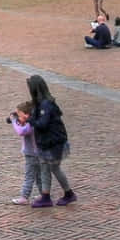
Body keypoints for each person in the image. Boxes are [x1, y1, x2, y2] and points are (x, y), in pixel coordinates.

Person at [25, 73, 76, 207]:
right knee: (44, 168)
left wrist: (29, 120)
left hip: (53, 142)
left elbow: (42, 124)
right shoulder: (40, 104)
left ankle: (69, 193)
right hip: (44, 142)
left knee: (54, 168)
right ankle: (46, 196)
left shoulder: (46, 105)